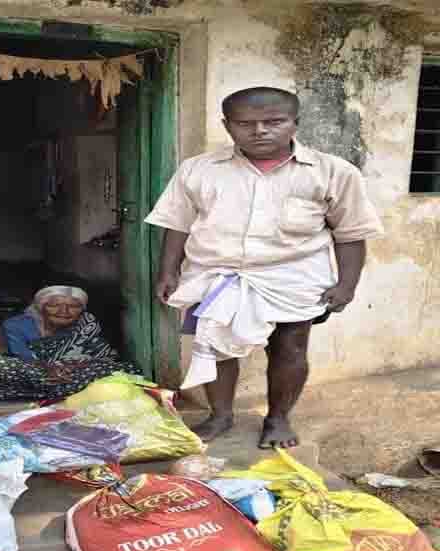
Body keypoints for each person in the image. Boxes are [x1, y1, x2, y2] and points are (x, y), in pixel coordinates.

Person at [148, 86, 383, 449]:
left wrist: (347, 284)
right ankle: (220, 415)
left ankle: (278, 419)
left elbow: (351, 233)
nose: (259, 131)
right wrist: (168, 271)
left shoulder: (333, 172)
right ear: (227, 126)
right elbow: (176, 222)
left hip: (294, 278)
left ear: (295, 123)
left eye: (273, 121)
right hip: (217, 274)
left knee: (290, 349)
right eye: (245, 123)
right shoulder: (199, 169)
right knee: (216, 346)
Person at [0, 285, 140, 401]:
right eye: (54, 306)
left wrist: (73, 366)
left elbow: (102, 355)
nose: (63, 311)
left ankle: (54, 391)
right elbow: (21, 355)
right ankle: (71, 391)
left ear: (82, 310)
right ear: (40, 307)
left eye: (73, 306)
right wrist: (49, 368)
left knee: (126, 369)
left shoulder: (87, 325)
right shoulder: (16, 325)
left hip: (72, 373)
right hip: (36, 371)